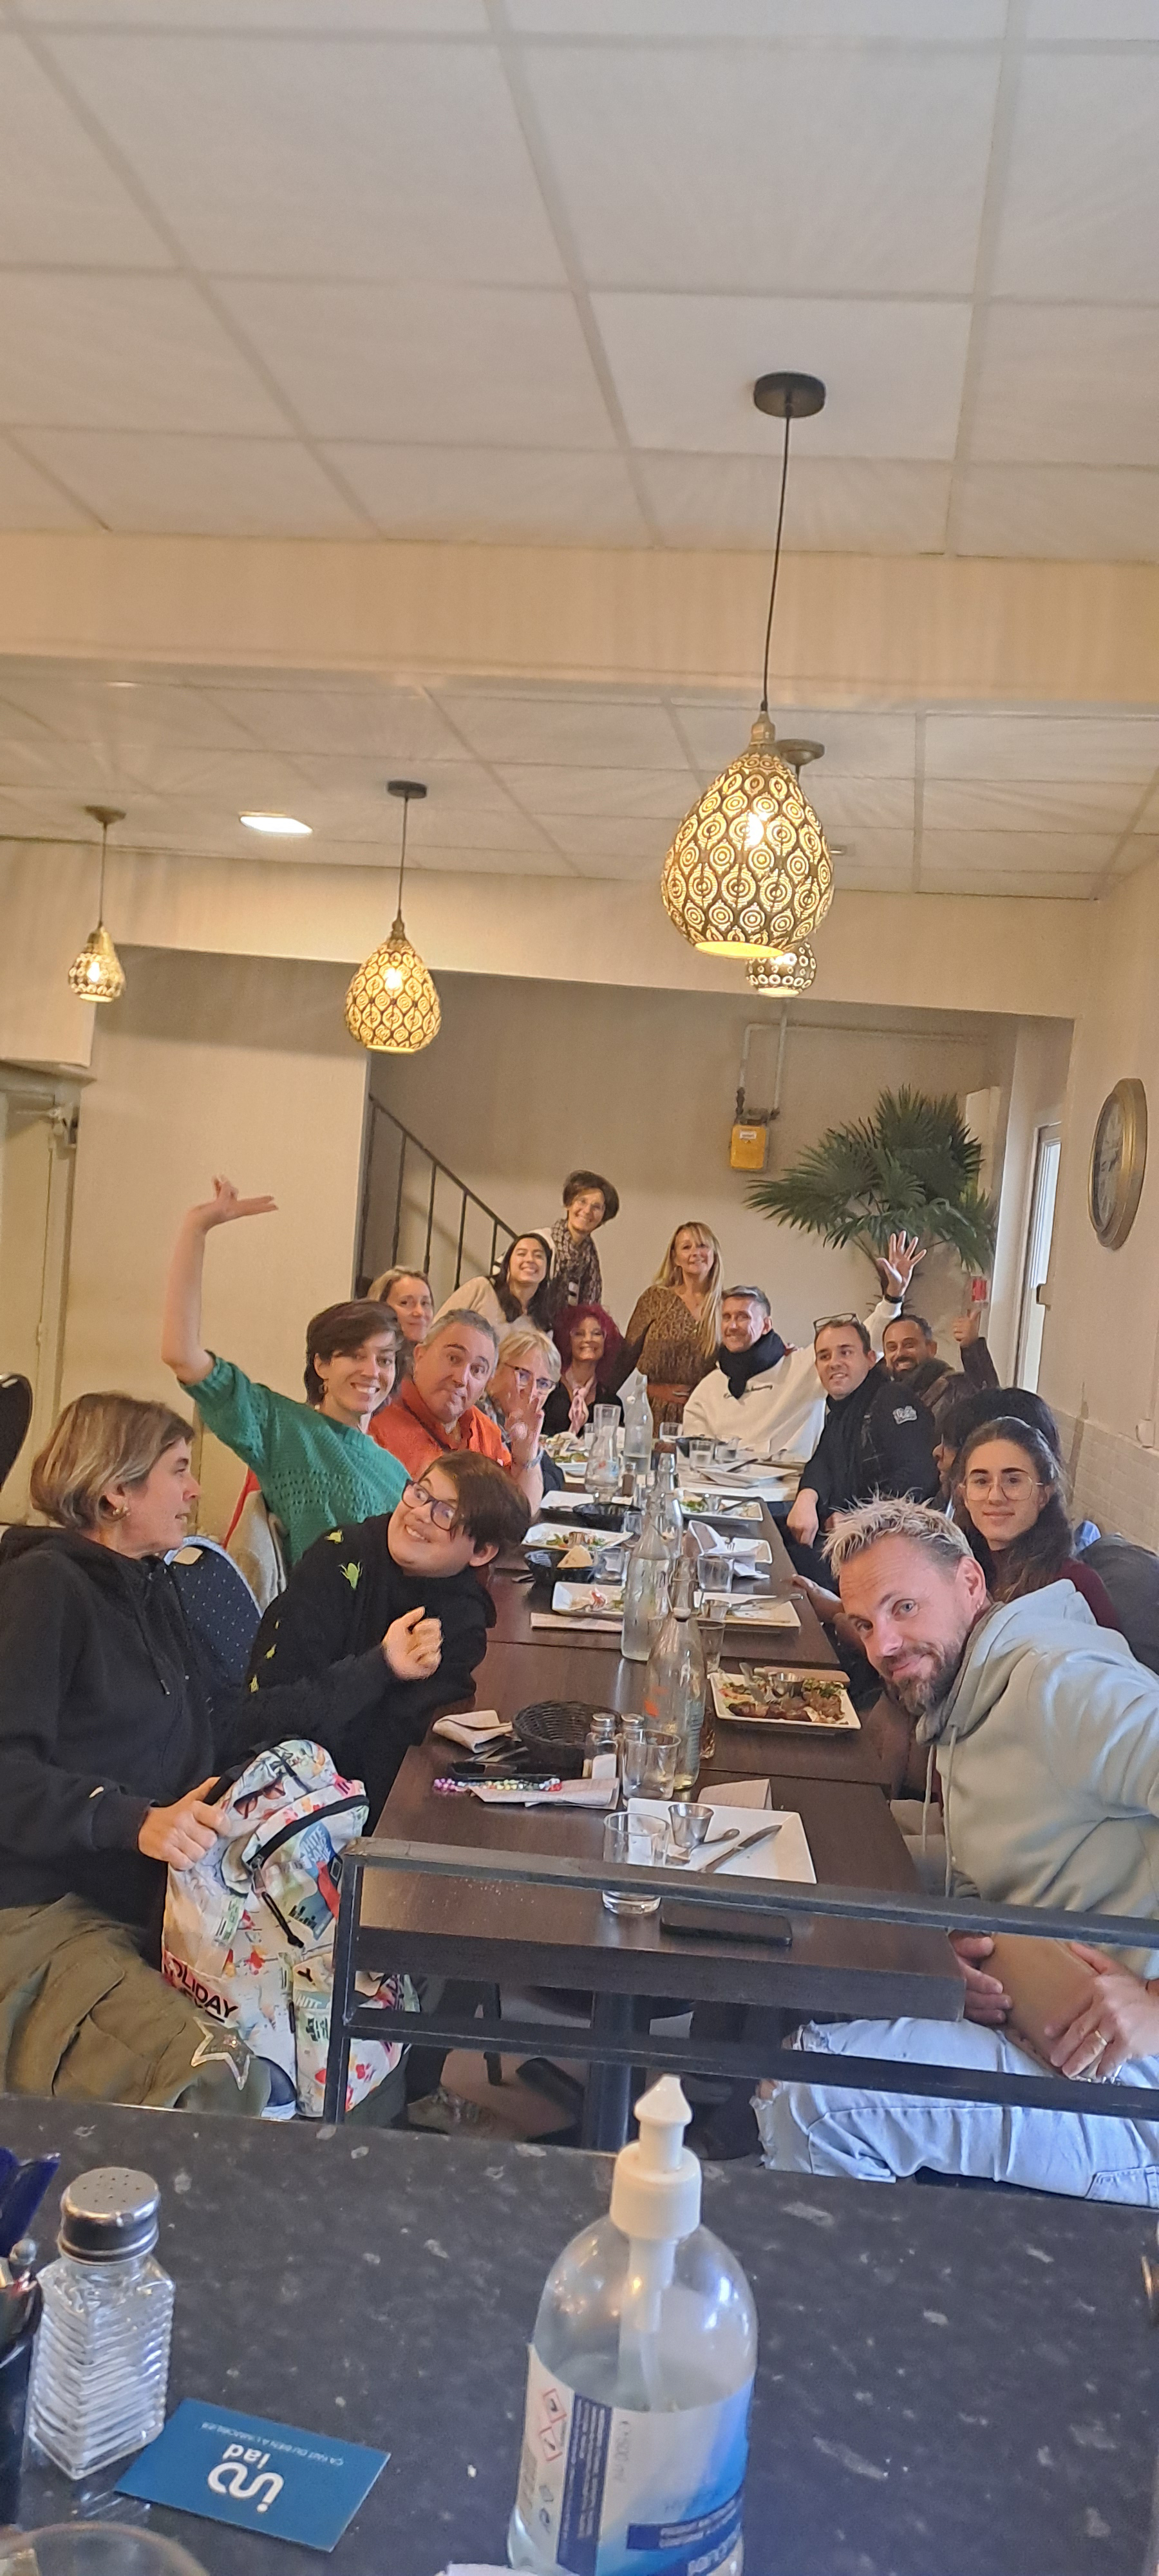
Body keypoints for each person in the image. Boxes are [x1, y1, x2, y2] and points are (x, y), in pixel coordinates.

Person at [0, 1395, 440, 2114]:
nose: (196, 1488)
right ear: (115, 1492)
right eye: (178, 1469)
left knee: (384, 1979)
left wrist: (378, 1668)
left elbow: (233, 1719)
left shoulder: (152, 1583)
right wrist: (132, 1820)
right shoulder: (43, 1588)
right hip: (48, 1903)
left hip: (171, 1888)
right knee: (225, 2082)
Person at [755, 1498, 1159, 2201]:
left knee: (811, 2093)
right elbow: (986, 1874)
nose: (883, 1646)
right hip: (1051, 2028)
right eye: (864, 1623)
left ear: (971, 1582)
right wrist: (963, 1946)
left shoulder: (1062, 1682)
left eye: (904, 1607)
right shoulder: (968, 1701)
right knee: (818, 1872)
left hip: (1131, 2089)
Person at [251, 1454, 529, 1823]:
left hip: (372, 1805)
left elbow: (404, 1740)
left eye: (446, 1513)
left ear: (481, 1552)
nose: (420, 1513)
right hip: (279, 1794)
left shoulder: (461, 1617)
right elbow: (268, 1715)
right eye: (421, 1493)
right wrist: (382, 1665)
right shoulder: (338, 1560)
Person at [163, 1179, 406, 1564]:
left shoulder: (395, 1472)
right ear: (321, 1365)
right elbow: (182, 1355)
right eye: (354, 1355)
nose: (371, 1371)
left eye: (385, 1359)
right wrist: (197, 1228)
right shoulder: (285, 1431)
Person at [681, 1234, 923, 1463]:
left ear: (766, 1325)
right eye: (727, 1317)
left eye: (743, 1317)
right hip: (719, 1488)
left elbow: (863, 1341)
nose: (733, 1326)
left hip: (790, 1488)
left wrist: (893, 1298)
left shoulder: (805, 1367)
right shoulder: (708, 1388)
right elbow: (693, 1453)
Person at [785, 1312, 940, 1575]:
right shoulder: (842, 1410)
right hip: (845, 1538)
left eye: (845, 1353)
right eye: (824, 1356)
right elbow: (822, 1461)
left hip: (887, 1550)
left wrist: (859, 1520)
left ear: (870, 1359)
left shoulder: (891, 1400)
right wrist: (806, 1498)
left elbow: (918, 1474)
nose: (834, 1363)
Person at [370, 1311, 544, 1513]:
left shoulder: (483, 1429)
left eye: (477, 1370)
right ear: (419, 1356)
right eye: (453, 1359)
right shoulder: (377, 1425)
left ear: (485, 1385)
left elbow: (522, 1513)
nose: (461, 1379)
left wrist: (525, 1455)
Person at [953, 1418, 1118, 1627]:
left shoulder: (1075, 1586)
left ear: (1044, 1494)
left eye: (1013, 1481)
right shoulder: (952, 1571)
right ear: (964, 1495)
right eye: (981, 1481)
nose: (995, 1497)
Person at [614, 1222, 723, 1430]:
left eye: (702, 1246)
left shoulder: (725, 1306)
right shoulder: (655, 1299)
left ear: (714, 1253)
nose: (695, 1253)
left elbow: (742, 1361)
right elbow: (624, 1359)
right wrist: (650, 1390)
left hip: (705, 1416)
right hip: (652, 1414)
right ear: (675, 1258)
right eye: (686, 1247)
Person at [881, 1304, 998, 1432]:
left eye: (909, 1345)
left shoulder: (956, 1387)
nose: (900, 1353)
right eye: (892, 1348)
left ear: (932, 1349)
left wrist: (972, 1346)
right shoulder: (881, 1400)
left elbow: (991, 1405)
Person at [482, 1326, 567, 1495]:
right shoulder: (477, 1417)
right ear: (495, 1370)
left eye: (543, 1383)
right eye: (523, 1375)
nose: (532, 1390)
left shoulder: (520, 1425)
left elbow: (555, 1478)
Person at [430, 1233, 555, 1339]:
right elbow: (436, 1329)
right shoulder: (481, 1288)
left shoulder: (544, 1320)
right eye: (522, 1254)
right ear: (507, 1264)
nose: (530, 1260)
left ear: (547, 1267)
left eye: (538, 1256)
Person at [545, 1171, 619, 1318]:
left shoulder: (590, 1258)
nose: (587, 1211)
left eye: (596, 1207)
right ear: (569, 1204)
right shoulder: (542, 1244)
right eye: (582, 1201)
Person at [545, 1304, 624, 1438]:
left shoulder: (611, 1403)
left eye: (597, 1334)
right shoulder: (547, 1389)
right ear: (567, 1341)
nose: (588, 1339)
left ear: (606, 1342)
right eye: (579, 1334)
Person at [367, 1269, 434, 1382]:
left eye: (425, 1303)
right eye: (405, 1303)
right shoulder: (370, 1365)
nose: (420, 1312)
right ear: (381, 1308)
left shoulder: (435, 1366)